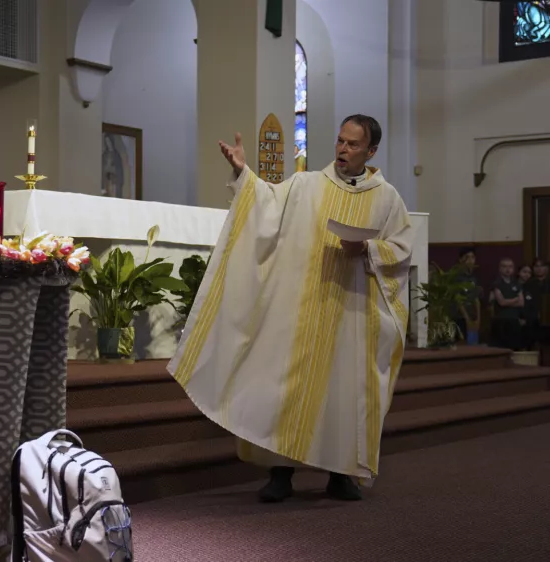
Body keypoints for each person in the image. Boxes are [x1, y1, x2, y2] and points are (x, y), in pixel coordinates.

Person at [168, 115, 413, 503]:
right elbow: (265, 203)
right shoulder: (307, 184)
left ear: (371, 151)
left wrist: (366, 248)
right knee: (286, 388)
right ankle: (280, 474)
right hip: (301, 305)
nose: (343, 150)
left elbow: (401, 248)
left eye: (352, 145)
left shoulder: (387, 198)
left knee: (344, 394)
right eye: (340, 141)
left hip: (352, 312)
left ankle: (341, 474)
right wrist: (243, 172)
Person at [489, 258, 524, 350]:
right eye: (504, 266)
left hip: (514, 320)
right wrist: (515, 299)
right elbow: (501, 302)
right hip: (501, 320)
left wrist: (509, 301)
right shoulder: (497, 284)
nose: (507, 269)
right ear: (500, 269)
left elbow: (521, 303)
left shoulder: (516, 284)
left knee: (514, 348)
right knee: (500, 348)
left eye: (510, 267)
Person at [453, 247, 481, 345]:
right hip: (460, 318)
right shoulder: (456, 277)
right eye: (467, 257)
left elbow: (476, 298)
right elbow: (458, 299)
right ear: (461, 260)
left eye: (473, 257)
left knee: (473, 344)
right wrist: (466, 319)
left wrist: (478, 318)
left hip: (473, 317)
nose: (470, 260)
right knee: (462, 345)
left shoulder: (473, 279)